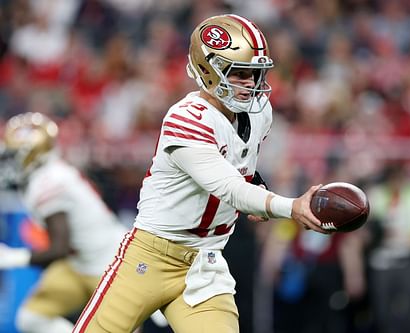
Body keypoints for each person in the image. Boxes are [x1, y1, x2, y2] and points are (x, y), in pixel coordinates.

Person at [73, 13, 327, 333]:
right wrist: (289, 207)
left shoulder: (259, 112)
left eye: (256, 73)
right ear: (209, 71)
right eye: (241, 73)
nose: (252, 83)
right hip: (150, 256)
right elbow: (229, 188)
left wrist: (257, 187)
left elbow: (239, 165)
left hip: (204, 264)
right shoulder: (187, 118)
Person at [0, 112, 129, 333]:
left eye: (15, 155)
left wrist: (12, 258)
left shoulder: (47, 183)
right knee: (31, 318)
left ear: (33, 155)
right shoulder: (46, 175)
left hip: (109, 265)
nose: (8, 162)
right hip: (78, 262)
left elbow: (58, 248)